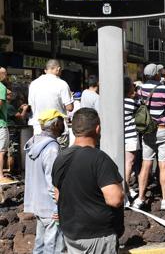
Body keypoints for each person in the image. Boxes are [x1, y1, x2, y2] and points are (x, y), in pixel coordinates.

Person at [52, 108, 124, 254]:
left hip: (71, 234)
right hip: (98, 236)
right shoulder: (99, 159)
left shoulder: (60, 158)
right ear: (97, 129)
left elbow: (57, 195)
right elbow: (115, 199)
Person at [132, 63, 165, 210]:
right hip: (164, 130)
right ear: (157, 74)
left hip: (148, 130)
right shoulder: (164, 89)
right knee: (164, 166)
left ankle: (140, 198)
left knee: (146, 164)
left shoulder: (141, 89)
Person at [24, 109, 66, 253]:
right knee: (53, 247)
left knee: (40, 246)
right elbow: (52, 181)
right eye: (61, 122)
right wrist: (58, 206)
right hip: (50, 207)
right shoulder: (52, 148)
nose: (63, 124)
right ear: (55, 124)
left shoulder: (34, 143)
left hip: (37, 203)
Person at [28, 59, 73, 136]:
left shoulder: (33, 84)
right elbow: (70, 107)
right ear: (58, 69)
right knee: (59, 148)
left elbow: (31, 105)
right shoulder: (62, 84)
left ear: (45, 70)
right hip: (57, 129)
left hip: (38, 128)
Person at [123, 77, 139, 201]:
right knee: (129, 163)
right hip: (130, 136)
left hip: (119, 136)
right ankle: (125, 189)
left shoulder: (116, 101)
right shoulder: (131, 102)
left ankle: (126, 188)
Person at [0, 67, 13, 184]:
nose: (6, 75)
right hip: (1, 124)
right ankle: (0, 175)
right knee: (1, 151)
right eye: (4, 73)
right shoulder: (1, 87)